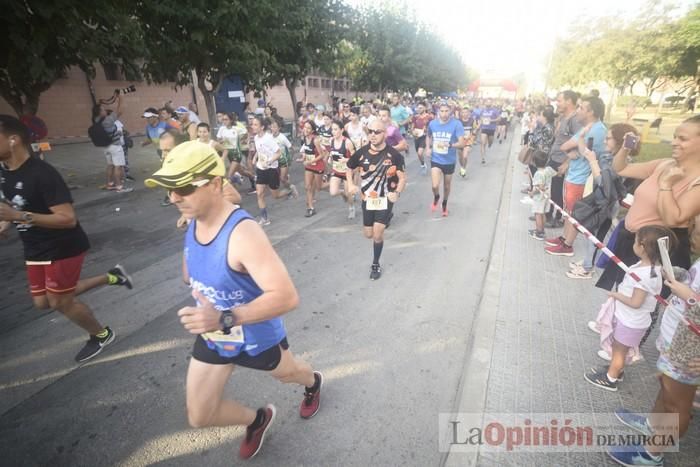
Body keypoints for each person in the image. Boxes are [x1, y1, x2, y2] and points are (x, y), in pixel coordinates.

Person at [144, 141, 322, 460]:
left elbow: (286, 296)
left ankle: (314, 383)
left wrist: (225, 318)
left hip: (252, 334)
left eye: (183, 187)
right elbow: (191, 274)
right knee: (199, 414)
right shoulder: (194, 217)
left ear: (215, 184)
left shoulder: (243, 234)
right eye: (170, 188)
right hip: (214, 334)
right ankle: (257, 419)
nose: (173, 197)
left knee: (289, 374)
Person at [0, 115, 133, 362]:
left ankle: (102, 334)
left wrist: (17, 215)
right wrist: (7, 220)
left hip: (61, 246)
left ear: (13, 140)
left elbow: (67, 219)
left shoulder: (42, 174)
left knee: (60, 300)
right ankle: (113, 276)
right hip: (34, 248)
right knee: (43, 302)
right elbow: (16, 203)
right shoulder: (5, 172)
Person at [608, 267, 700, 466]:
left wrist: (690, 296)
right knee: (666, 391)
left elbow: (694, 299)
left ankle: (652, 453)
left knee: (677, 408)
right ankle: (652, 426)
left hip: (690, 351)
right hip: (675, 340)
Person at [584, 226, 673, 392]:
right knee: (620, 349)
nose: (633, 244)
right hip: (629, 318)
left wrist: (616, 295)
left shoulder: (647, 275)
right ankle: (617, 370)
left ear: (642, 247)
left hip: (632, 321)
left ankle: (610, 379)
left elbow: (635, 302)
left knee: (619, 350)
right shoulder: (650, 267)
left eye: (635, 241)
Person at [566, 123, 640, 279]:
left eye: (608, 138)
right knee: (590, 233)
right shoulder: (609, 156)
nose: (605, 141)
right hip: (599, 202)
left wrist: (593, 161)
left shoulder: (620, 161)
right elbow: (585, 152)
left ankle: (587, 268)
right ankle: (587, 261)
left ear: (619, 140)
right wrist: (581, 137)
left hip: (606, 205)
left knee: (595, 236)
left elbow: (603, 184)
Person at [346, 118, 406, 280]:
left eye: (377, 132)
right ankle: (386, 218)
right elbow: (349, 168)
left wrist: (397, 193)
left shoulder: (394, 155)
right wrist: (351, 184)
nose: (372, 135)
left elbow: (402, 178)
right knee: (368, 234)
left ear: (385, 134)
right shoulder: (362, 153)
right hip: (368, 199)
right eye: (370, 132)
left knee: (378, 234)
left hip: (385, 199)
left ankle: (375, 264)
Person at [424, 102, 467, 217]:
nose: (444, 113)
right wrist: (428, 148)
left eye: (446, 111)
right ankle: (436, 196)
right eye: (441, 111)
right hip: (436, 159)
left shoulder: (456, 124)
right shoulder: (433, 124)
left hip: (449, 160)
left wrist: (451, 145)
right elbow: (428, 136)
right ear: (438, 111)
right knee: (434, 185)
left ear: (450, 111)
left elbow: (462, 143)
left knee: (447, 186)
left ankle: (444, 203)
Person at [546, 90, 581, 228]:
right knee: (552, 189)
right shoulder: (562, 118)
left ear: (569, 101)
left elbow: (579, 143)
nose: (557, 103)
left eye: (559, 101)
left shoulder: (575, 120)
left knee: (559, 191)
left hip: (563, 162)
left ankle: (558, 218)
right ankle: (549, 215)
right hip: (554, 158)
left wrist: (567, 163)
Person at [251, 116, 293, 226]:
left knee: (275, 196)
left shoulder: (268, 138)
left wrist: (269, 161)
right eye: (252, 124)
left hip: (272, 169)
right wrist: (255, 157)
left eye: (255, 124)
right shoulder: (256, 138)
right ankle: (264, 218)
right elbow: (259, 149)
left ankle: (289, 190)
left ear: (262, 127)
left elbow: (278, 152)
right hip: (261, 169)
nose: (252, 126)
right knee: (260, 194)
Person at [91, 96, 132, 193]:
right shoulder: (108, 120)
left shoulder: (95, 120)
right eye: (103, 110)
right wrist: (121, 98)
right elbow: (120, 111)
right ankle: (119, 187)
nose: (105, 111)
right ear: (100, 112)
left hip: (106, 147)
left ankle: (109, 184)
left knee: (110, 165)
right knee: (118, 166)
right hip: (115, 146)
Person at [218, 112, 256, 195]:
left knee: (229, 175)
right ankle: (254, 177)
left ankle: (231, 195)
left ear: (231, 120)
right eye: (223, 119)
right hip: (228, 154)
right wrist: (221, 141)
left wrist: (243, 140)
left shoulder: (236, 128)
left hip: (236, 153)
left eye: (226, 119)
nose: (224, 121)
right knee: (242, 172)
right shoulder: (222, 129)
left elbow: (246, 133)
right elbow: (219, 140)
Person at [328, 120, 357, 219]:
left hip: (347, 172)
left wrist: (347, 159)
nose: (333, 131)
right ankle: (342, 193)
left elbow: (356, 158)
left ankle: (351, 207)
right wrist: (330, 158)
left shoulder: (347, 142)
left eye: (335, 129)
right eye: (332, 129)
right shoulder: (331, 140)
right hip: (336, 171)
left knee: (349, 194)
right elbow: (331, 153)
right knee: (333, 192)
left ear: (342, 130)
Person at [297, 120, 326, 217]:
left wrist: (310, 161)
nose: (306, 129)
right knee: (308, 187)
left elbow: (322, 155)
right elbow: (306, 150)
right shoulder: (305, 138)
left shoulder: (316, 140)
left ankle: (339, 188)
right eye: (305, 127)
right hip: (309, 166)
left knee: (319, 187)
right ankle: (310, 208)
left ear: (313, 130)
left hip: (318, 166)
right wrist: (303, 158)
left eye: (308, 128)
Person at [527, 150, 557, 241]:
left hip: (539, 198)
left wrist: (531, 193)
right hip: (547, 196)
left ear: (534, 163)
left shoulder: (538, 174)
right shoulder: (549, 170)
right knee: (543, 213)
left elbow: (538, 188)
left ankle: (539, 232)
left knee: (538, 214)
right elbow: (557, 174)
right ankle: (541, 229)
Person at [269, 119, 298, 200]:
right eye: (271, 127)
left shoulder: (282, 137)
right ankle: (289, 190)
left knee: (282, 178)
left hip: (283, 161)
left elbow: (292, 148)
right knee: (282, 179)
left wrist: (290, 159)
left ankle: (291, 187)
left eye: (275, 127)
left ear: (279, 128)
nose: (273, 129)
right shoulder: (269, 137)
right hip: (275, 161)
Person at [411, 102, 433, 175]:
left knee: (420, 153)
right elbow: (412, 127)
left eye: (421, 108)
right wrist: (413, 132)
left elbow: (432, 127)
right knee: (418, 154)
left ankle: (423, 166)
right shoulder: (415, 117)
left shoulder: (429, 117)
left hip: (425, 137)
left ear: (425, 108)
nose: (419, 109)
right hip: (417, 137)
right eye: (418, 108)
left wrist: (426, 131)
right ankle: (423, 164)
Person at [478, 99, 500, 164]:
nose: (488, 103)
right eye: (487, 102)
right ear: (485, 103)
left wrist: (491, 120)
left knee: (490, 142)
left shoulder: (495, 110)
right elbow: (481, 118)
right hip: (484, 128)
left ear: (491, 103)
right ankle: (483, 158)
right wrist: (480, 124)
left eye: (489, 102)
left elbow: (499, 118)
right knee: (483, 143)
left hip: (491, 129)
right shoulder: (483, 110)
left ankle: (490, 144)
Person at [457, 107, 477, 178]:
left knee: (465, 156)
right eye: (463, 112)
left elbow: (474, 130)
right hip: (460, 141)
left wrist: (473, 137)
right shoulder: (458, 121)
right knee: (460, 157)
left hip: (468, 141)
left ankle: (463, 169)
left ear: (469, 113)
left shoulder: (472, 120)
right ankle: (462, 166)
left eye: (466, 112)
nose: (464, 114)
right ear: (461, 113)